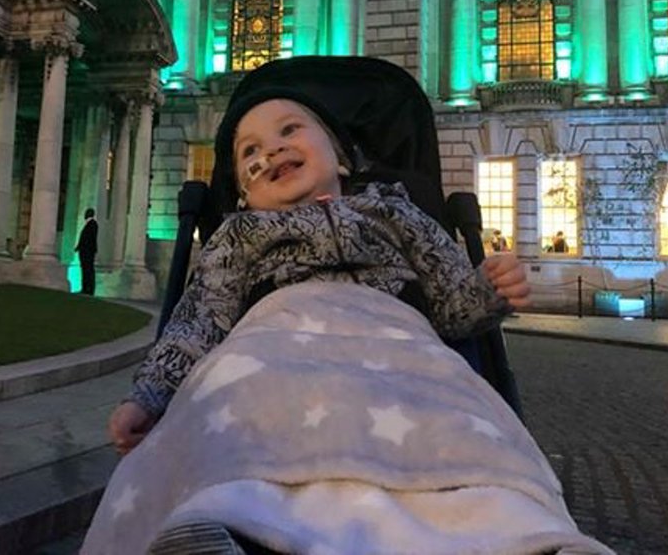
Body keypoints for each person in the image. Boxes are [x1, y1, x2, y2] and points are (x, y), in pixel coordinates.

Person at [87, 89, 552, 555]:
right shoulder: (240, 235)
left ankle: (515, 527)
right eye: (250, 151)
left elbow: (453, 305)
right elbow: (199, 321)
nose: (270, 150)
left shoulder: (394, 213)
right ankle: (221, 514)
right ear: (245, 196)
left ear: (342, 160)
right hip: (274, 341)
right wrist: (149, 395)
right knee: (228, 405)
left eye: (290, 130)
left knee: (456, 411)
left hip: (396, 342)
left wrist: (489, 289)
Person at [75, 207, 98, 295]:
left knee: (88, 270)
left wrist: (81, 247)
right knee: (86, 269)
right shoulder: (90, 224)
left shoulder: (92, 224)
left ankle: (88, 289)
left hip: (87, 252)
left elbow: (88, 239)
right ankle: (85, 288)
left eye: (86, 213)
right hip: (86, 251)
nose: (85, 215)